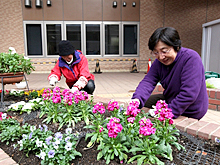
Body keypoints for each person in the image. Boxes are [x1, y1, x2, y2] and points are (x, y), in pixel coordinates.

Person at [131, 27, 208, 120]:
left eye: (164, 51)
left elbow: (189, 94)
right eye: (156, 52)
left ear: (176, 46)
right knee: (144, 103)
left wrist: (166, 113)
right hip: (170, 99)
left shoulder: (191, 58)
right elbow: (148, 81)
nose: (161, 57)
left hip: (191, 109)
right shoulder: (158, 63)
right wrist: (137, 99)